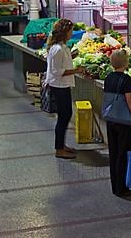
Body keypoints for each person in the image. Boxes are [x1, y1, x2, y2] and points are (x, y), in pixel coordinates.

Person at [104, 49, 131, 197]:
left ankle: (115, 185)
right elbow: (130, 101)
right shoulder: (126, 79)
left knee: (113, 153)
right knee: (123, 154)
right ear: (125, 63)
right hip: (124, 121)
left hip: (111, 118)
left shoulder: (108, 77)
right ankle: (122, 188)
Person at [45, 19, 83, 160]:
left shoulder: (62, 48)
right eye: (71, 31)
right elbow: (57, 71)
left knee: (65, 115)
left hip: (63, 85)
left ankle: (61, 145)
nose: (72, 33)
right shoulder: (57, 49)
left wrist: (72, 56)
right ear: (65, 32)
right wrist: (76, 70)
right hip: (59, 86)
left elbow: (62, 62)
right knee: (63, 117)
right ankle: (59, 149)